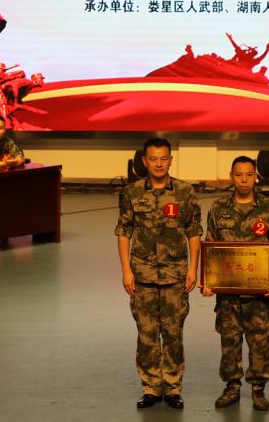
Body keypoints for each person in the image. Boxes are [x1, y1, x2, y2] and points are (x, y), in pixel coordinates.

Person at [115, 138, 202, 410]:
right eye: (153, 159)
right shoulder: (131, 193)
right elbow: (124, 232)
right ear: (144, 161)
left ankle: (173, 387)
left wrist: (193, 269)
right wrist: (126, 270)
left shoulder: (185, 192)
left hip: (176, 275)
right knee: (147, 334)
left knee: (174, 333)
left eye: (163, 158)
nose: (159, 163)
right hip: (142, 274)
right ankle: (151, 387)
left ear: (171, 160)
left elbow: (194, 232)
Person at [202, 156, 269, 411]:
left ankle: (258, 388)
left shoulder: (268, 207)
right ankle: (232, 386)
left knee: (259, 340)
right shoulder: (218, 207)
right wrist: (208, 281)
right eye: (239, 175)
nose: (244, 180)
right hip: (227, 293)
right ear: (231, 176)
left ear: (256, 177)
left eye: (249, 175)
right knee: (229, 340)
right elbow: (211, 246)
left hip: (257, 292)